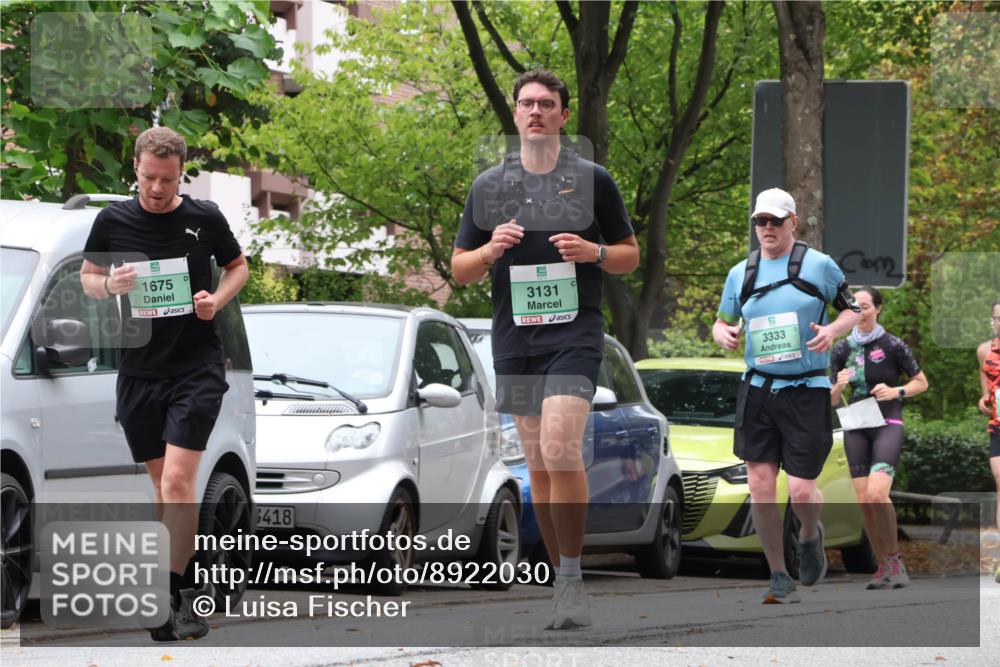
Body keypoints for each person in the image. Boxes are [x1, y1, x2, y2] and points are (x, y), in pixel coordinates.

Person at [452, 69, 639, 630]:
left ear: (563, 114)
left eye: (546, 104)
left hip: (574, 335)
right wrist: (489, 249)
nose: (535, 111)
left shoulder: (591, 179)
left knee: (561, 453)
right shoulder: (490, 186)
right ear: (515, 114)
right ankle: (564, 580)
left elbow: (630, 254)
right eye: (526, 103)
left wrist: (593, 252)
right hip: (515, 340)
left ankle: (575, 577)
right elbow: (459, 272)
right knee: (538, 464)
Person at [80, 126, 249, 641]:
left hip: (197, 366)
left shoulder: (203, 218)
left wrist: (214, 302)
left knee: (177, 482)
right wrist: (110, 285)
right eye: (150, 178)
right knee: (161, 486)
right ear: (136, 168)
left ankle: (167, 595)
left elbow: (238, 267)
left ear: (181, 175)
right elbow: (87, 278)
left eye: (168, 180)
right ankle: (183, 591)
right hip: (139, 370)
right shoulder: (113, 221)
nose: (158, 188)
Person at [712, 187, 860, 603]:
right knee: (760, 485)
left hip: (807, 389)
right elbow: (722, 321)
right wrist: (722, 332)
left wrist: (832, 330)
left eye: (776, 221)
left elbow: (853, 310)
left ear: (793, 222)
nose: (768, 228)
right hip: (758, 388)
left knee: (799, 490)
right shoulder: (741, 272)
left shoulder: (820, 266)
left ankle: (810, 535)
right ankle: (778, 572)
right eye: (761, 221)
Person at [830, 286, 928, 589]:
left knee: (877, 494)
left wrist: (895, 390)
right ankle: (885, 565)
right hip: (856, 427)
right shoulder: (841, 349)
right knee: (863, 501)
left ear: (878, 309)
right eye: (854, 308)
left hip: (887, 422)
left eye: (866, 307)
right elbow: (830, 401)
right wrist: (838, 386)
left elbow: (921, 383)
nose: (860, 313)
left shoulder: (893, 345)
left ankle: (896, 561)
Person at [976, 299, 1000, 583]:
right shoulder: (984, 350)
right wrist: (984, 401)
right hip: (998, 426)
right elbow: (986, 393)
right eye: (998, 317)